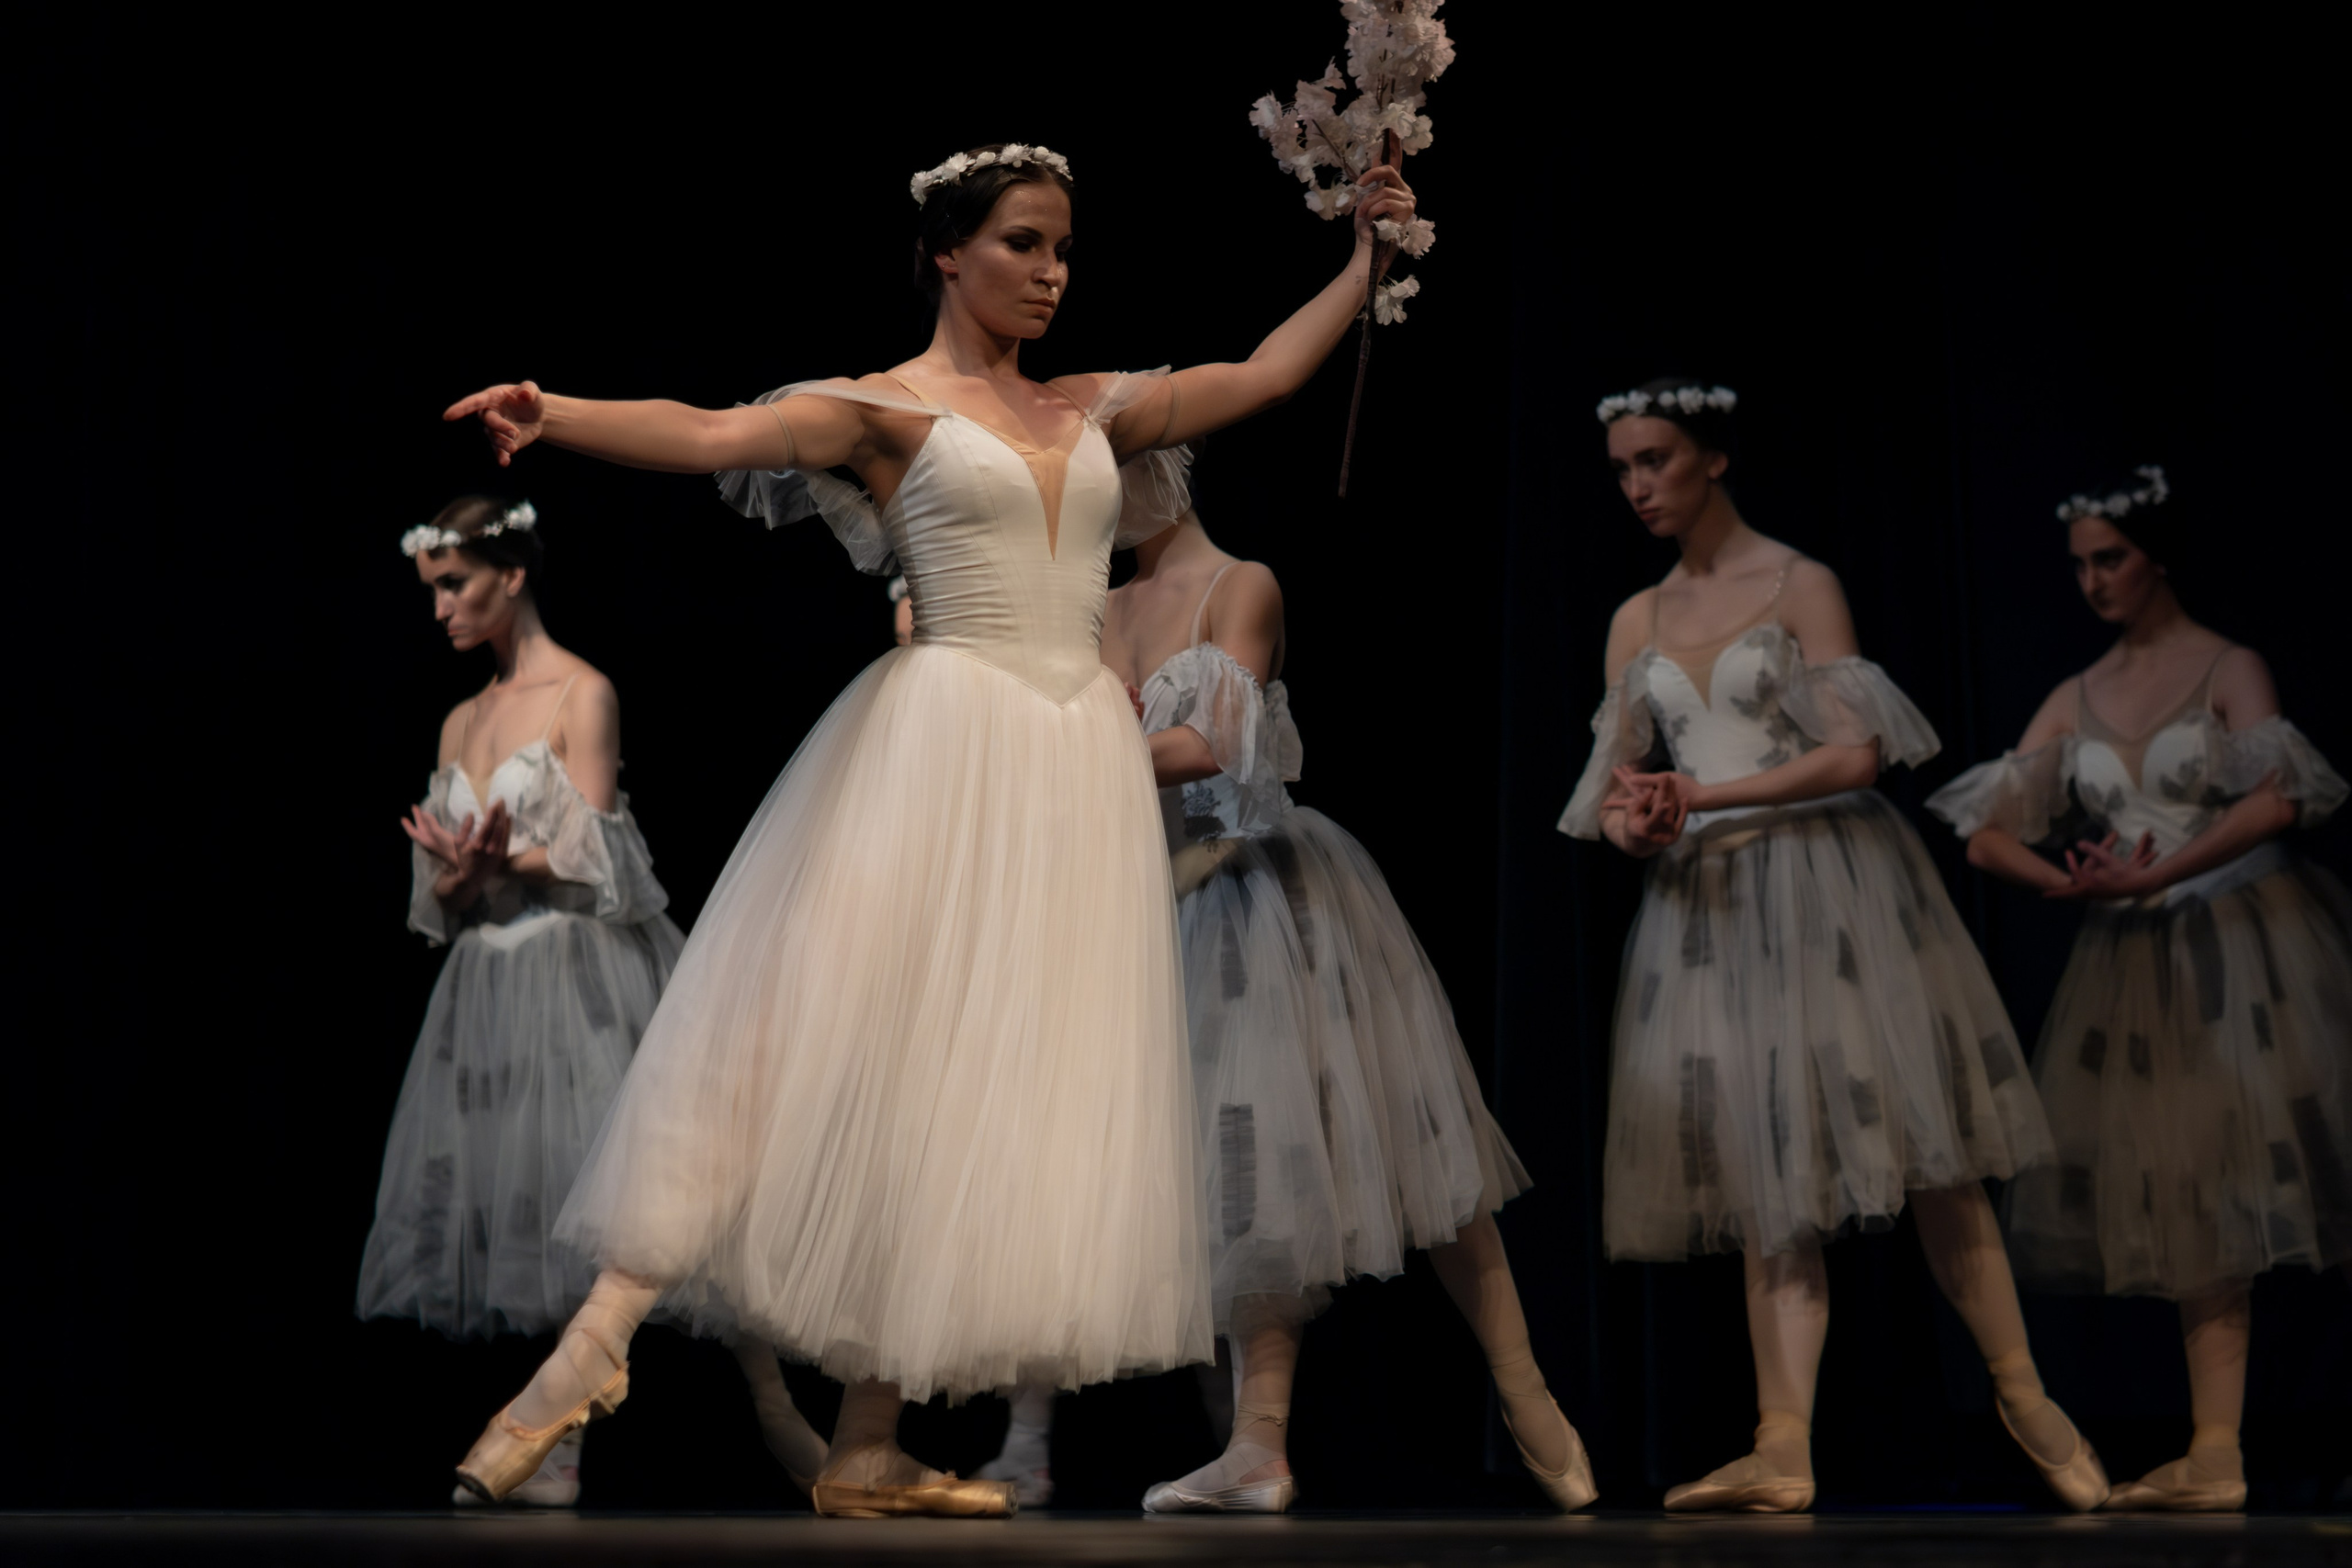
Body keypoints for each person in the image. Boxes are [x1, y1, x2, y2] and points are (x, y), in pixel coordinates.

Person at [439, 141, 1420, 1517]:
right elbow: (712, 432)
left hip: (1072, 774)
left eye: (1064, 249)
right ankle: (587, 1348)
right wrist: (556, 414)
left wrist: (1365, 263)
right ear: (949, 252)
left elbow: (1260, 374)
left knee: (964, 1085)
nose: (1051, 272)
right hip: (940, 743)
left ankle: (867, 1440)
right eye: (1023, 242)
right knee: (787, 1039)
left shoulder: (1092, 407)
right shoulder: (884, 410)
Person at [1559, 379, 2106, 1513]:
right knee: (1766, 1169)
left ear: (1713, 455)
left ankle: (2023, 1393)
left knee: (1925, 1148)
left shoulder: (1797, 582)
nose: (1637, 486)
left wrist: (1702, 795)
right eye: (1620, 469)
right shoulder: (1634, 619)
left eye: (1656, 460)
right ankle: (1782, 1443)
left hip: (1827, 885)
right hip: (1708, 909)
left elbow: (1856, 755)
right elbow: (1614, 796)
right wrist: (1640, 824)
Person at [1090, 460, 1596, 1513]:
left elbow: (1217, 741)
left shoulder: (1240, 584)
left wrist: (1089, 744)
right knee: (1243, 1176)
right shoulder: (1096, 612)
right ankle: (1257, 1445)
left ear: (1166, 467)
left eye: (1117, 469)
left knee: (1418, 1140)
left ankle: (1523, 1389)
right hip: (1165, 908)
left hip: (1268, 892)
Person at [1928, 467, 2352, 1512]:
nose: (2092, 581)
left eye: (2109, 558)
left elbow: (2276, 799)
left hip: (2245, 945)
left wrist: (2155, 875)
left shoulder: (2226, 665)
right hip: (2138, 964)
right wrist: (2071, 883)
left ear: (2155, 553)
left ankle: (2232, 1446)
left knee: (2290, 1175)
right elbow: (1983, 835)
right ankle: (2215, 1450)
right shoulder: (2076, 693)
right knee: (2196, 1195)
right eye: (2078, 565)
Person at [361, 496, 703, 1504]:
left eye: (454, 585)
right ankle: (553, 1436)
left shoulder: (581, 693)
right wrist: (460, 878)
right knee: (520, 1198)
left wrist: (501, 860)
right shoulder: (461, 718)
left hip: (575, 971)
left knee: (600, 1199)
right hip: (490, 980)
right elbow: (448, 904)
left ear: (511, 575)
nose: (441, 610)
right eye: (432, 591)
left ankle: (561, 1434)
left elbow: (601, 856)